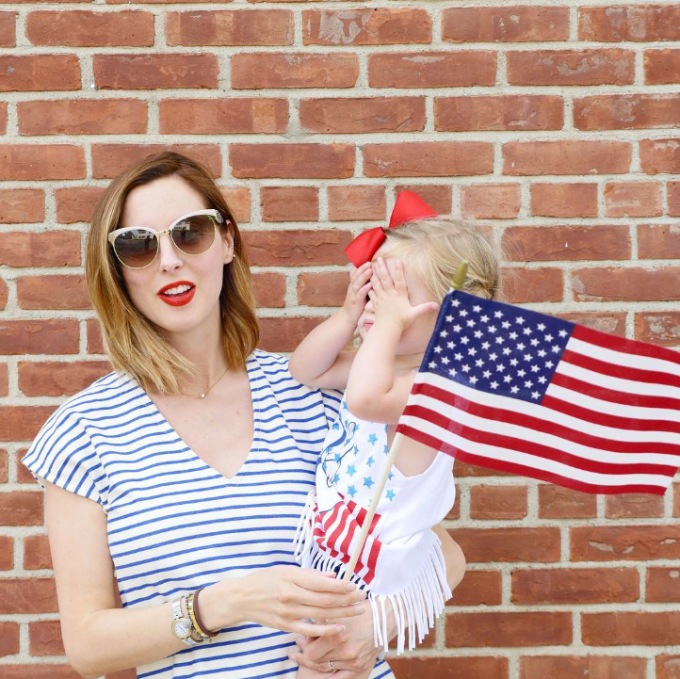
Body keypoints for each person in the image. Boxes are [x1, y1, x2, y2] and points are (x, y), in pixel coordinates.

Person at [21, 153, 466, 679]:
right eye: (138, 245)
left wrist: (369, 631)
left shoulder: (316, 389)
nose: (168, 260)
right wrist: (222, 604)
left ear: (227, 241)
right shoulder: (84, 430)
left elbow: (441, 552)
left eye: (190, 234)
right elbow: (88, 645)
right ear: (118, 268)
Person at [289, 192, 499, 674]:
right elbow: (307, 369)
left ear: (449, 317)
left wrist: (382, 325)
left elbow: (366, 398)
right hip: (338, 542)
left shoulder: (437, 388)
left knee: (323, 665)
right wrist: (348, 316)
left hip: (376, 567)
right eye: (372, 288)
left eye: (392, 294)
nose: (376, 304)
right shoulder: (380, 365)